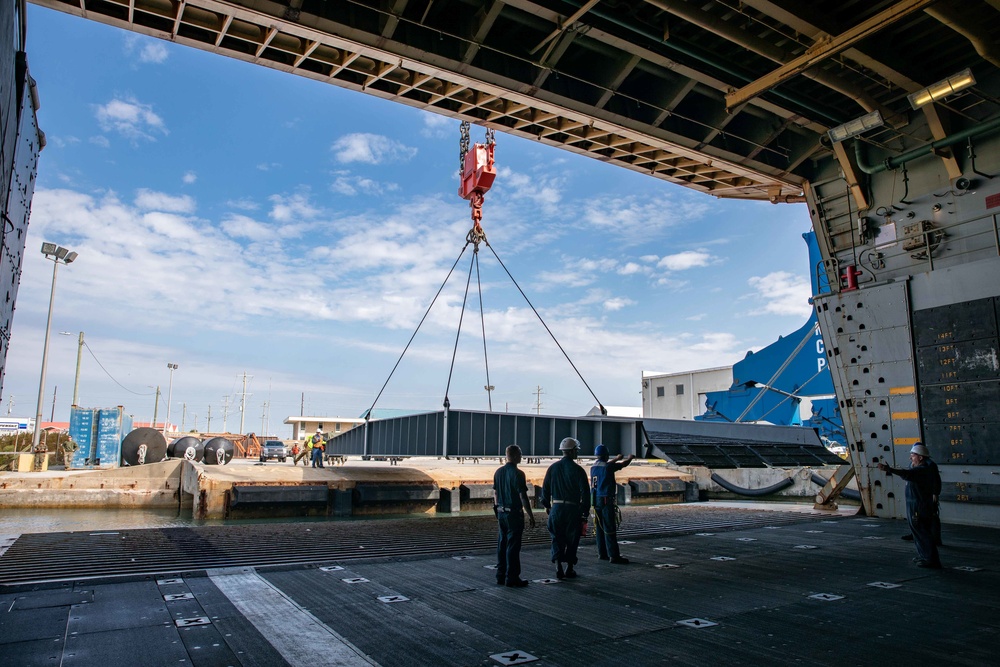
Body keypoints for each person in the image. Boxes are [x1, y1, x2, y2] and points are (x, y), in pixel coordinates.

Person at [878, 443, 942, 569]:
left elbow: (907, 474)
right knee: (919, 531)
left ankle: (930, 559)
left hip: (917, 505)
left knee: (921, 532)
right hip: (917, 503)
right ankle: (925, 556)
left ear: (921, 457)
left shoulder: (922, 470)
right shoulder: (926, 467)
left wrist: (889, 469)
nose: (910, 458)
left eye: (913, 455)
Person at [541, 437, 591, 579]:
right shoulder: (578, 470)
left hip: (556, 509)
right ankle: (569, 568)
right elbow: (585, 493)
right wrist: (585, 512)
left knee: (556, 538)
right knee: (572, 540)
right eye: (577, 451)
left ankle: (558, 567)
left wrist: (548, 506)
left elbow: (545, 491)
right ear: (573, 451)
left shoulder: (552, 468)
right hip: (572, 510)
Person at [493, 444, 536, 587]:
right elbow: (523, 496)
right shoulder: (518, 474)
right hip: (514, 514)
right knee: (513, 545)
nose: (522, 456)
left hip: (501, 512)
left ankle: (500, 575)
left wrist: (497, 509)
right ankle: (512, 577)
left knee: (502, 544)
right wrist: (530, 515)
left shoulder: (498, 472)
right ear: (516, 456)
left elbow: (495, 493)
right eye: (521, 453)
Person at [590, 444, 635, 564]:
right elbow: (623, 465)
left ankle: (602, 553)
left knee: (599, 528)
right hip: (606, 500)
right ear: (606, 455)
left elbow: (607, 463)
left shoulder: (593, 467)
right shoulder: (608, 467)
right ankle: (614, 556)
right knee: (609, 527)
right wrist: (630, 458)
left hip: (595, 500)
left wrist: (616, 458)